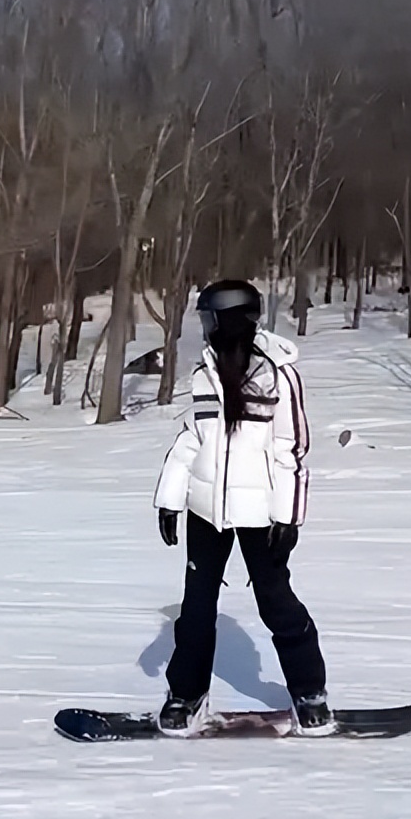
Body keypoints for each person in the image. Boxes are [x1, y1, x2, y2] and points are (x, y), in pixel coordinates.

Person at [153, 280, 331, 735]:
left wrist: (288, 518)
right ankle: (186, 695)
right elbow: (194, 437)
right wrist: (171, 500)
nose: (206, 328)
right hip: (206, 508)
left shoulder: (277, 375)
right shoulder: (205, 372)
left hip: (260, 514)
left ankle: (309, 691)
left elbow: (290, 450)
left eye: (210, 318)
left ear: (231, 318)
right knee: (196, 608)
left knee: (276, 603)